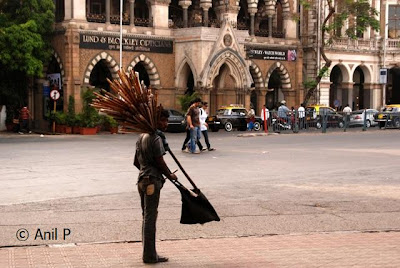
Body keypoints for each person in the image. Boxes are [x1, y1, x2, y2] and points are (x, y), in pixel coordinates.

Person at [134, 109, 178, 264]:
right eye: (163, 120)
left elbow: (136, 162)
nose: (166, 124)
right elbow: (160, 161)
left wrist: (146, 169)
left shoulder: (141, 137)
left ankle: (149, 253)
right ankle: (150, 256)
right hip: (152, 181)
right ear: (155, 120)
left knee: (146, 217)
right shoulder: (155, 138)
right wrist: (169, 175)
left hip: (141, 180)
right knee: (150, 218)